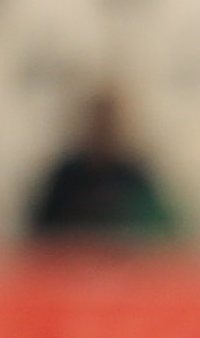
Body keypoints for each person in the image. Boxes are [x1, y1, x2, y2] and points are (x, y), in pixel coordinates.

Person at [27, 88, 173, 240]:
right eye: (96, 121)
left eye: (109, 122)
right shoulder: (66, 178)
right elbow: (41, 235)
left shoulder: (134, 178)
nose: (102, 129)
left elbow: (161, 232)